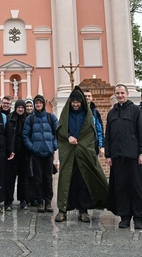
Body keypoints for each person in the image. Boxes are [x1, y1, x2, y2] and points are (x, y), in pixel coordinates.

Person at [55, 86, 108, 223]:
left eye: (78, 102)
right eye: (73, 102)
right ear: (70, 102)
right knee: (67, 181)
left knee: (83, 181)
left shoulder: (88, 114)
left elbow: (93, 133)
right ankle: (62, 210)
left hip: (84, 152)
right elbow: (60, 129)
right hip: (69, 153)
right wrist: (68, 137)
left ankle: (83, 211)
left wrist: (86, 144)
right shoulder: (66, 114)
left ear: (82, 102)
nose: (76, 104)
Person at [105, 84, 142, 229]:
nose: (120, 95)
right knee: (121, 188)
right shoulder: (112, 113)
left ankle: (139, 218)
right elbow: (108, 135)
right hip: (117, 157)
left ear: (127, 93)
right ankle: (124, 217)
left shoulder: (136, 110)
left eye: (122, 93)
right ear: (115, 95)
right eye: (117, 93)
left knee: (137, 188)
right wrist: (108, 155)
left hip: (134, 156)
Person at [22, 94, 57, 213]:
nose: (38, 105)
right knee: (37, 179)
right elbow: (25, 136)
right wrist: (32, 147)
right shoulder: (30, 119)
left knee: (48, 178)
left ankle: (48, 201)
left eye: (40, 103)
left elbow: (58, 132)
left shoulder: (50, 117)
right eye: (36, 103)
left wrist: (54, 146)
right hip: (36, 153)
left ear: (43, 104)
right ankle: (40, 202)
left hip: (48, 153)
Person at [6, 99, 29, 210]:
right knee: (10, 179)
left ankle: (23, 200)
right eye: (18, 107)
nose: (20, 109)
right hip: (12, 154)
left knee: (23, 179)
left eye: (22, 107)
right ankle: (8, 201)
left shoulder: (28, 119)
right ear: (15, 108)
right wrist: (9, 150)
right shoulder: (9, 118)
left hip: (24, 153)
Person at [84, 89, 105, 156]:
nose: (87, 97)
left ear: (91, 98)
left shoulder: (95, 113)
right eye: (85, 96)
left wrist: (101, 146)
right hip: (82, 145)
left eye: (89, 96)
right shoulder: (78, 112)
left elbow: (99, 130)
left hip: (94, 145)